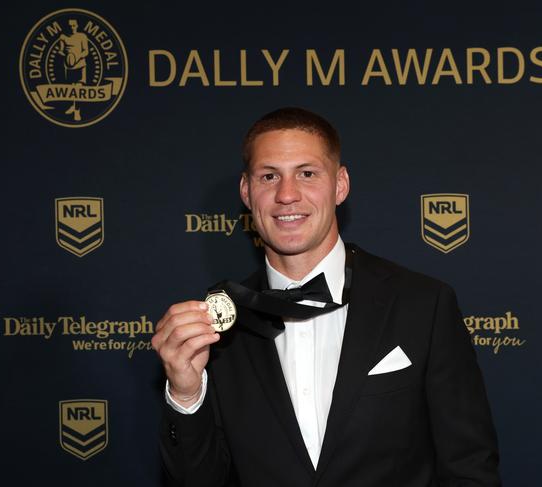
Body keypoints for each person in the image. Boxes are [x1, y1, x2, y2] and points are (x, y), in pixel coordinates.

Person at [152, 107, 501, 486]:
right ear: (246, 191)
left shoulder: (424, 304)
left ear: (340, 185)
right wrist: (185, 394)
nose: (287, 195)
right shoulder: (218, 327)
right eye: (269, 176)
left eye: (307, 173)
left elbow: (469, 467)